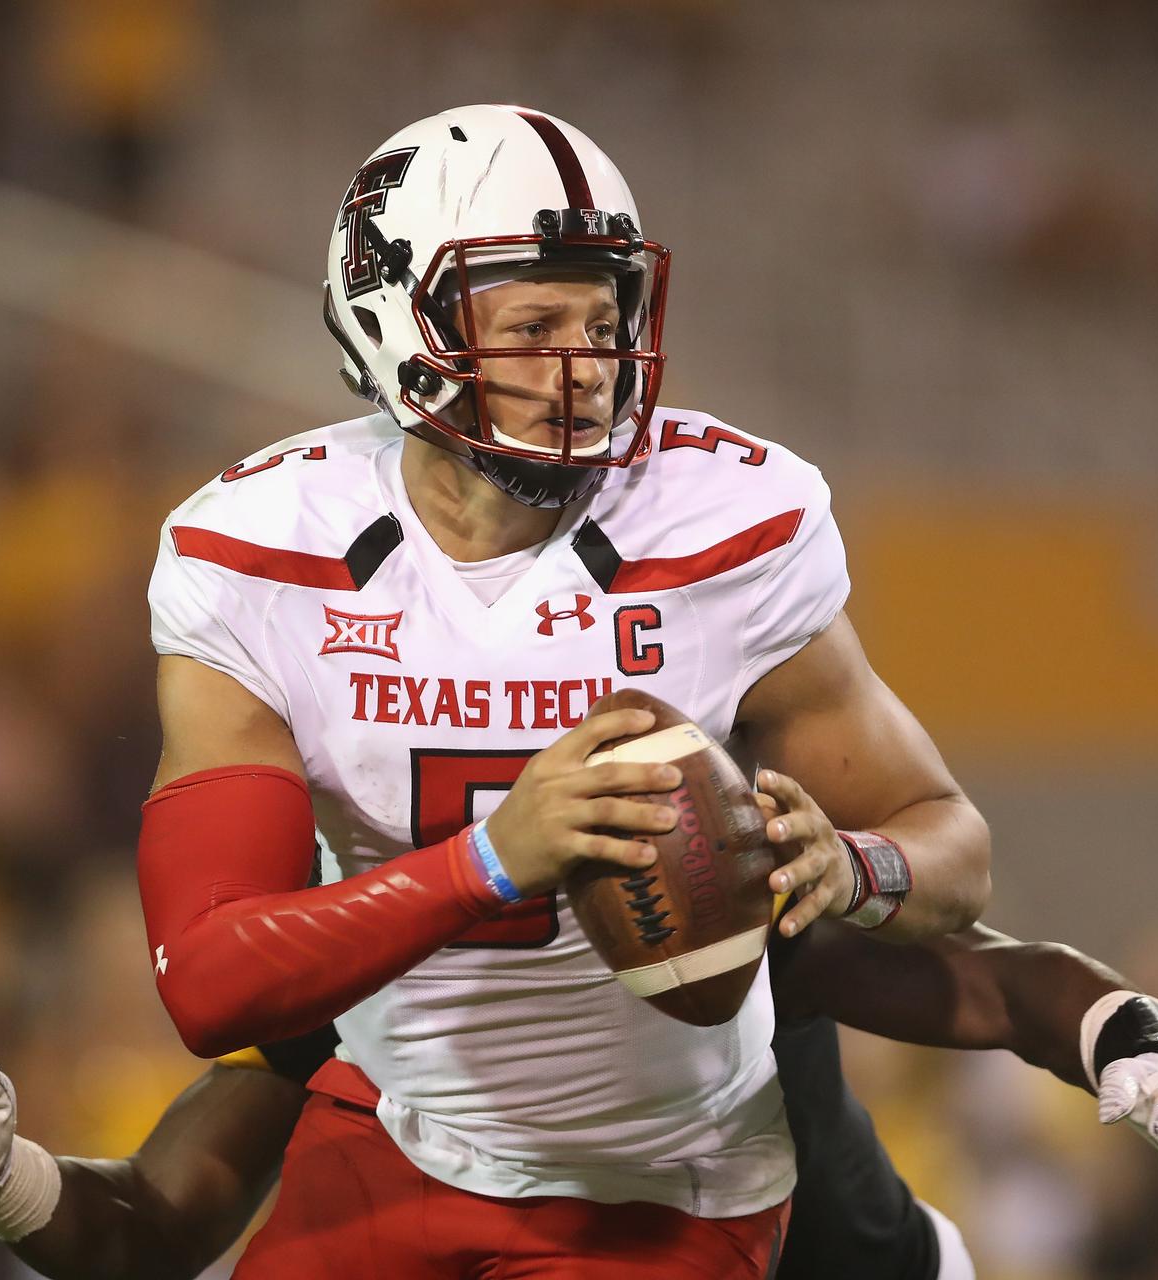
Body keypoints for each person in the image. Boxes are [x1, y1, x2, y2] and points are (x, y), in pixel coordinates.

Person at [122, 103, 991, 1276]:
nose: (584, 369)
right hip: (409, 1131)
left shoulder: (722, 523)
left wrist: (857, 865)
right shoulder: (263, 548)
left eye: (603, 321)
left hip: (660, 1172)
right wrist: (491, 860)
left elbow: (949, 840)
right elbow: (208, 980)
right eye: (534, 325)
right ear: (398, 320)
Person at [0, 919, 1158, 1279]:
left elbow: (993, 983)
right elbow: (160, 1227)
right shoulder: (384, 966)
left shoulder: (709, 906)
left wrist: (1141, 1047)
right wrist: (7, 1177)